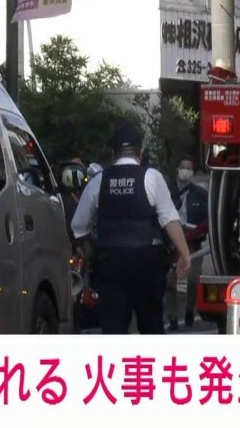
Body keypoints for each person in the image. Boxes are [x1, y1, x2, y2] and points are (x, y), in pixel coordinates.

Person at [70, 121, 191, 335]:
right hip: (147, 267)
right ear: (140, 151)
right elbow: (170, 220)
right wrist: (185, 254)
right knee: (151, 328)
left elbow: (78, 226)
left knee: (113, 330)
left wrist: (88, 248)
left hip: (109, 268)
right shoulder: (152, 177)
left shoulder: (99, 181)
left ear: (113, 152)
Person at [165, 158, 208, 331]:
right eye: (183, 167)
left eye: (189, 168)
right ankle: (172, 317)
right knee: (170, 282)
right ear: (177, 168)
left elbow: (207, 218)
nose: (185, 170)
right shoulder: (166, 190)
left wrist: (198, 232)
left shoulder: (200, 194)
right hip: (170, 242)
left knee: (192, 279)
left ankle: (190, 309)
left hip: (192, 242)